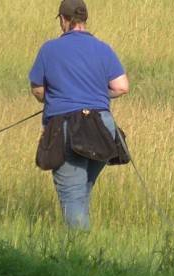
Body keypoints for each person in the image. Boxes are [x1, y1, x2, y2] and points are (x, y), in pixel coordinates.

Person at [29, 0, 129, 230]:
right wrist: (94, 93)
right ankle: (86, 254)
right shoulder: (103, 48)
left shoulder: (49, 49)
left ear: (63, 20)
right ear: (84, 20)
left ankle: (79, 257)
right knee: (82, 190)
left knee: (72, 195)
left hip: (67, 127)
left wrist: (51, 97)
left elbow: (37, 89)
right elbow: (122, 86)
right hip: (102, 127)